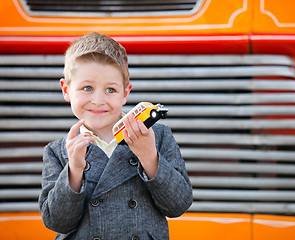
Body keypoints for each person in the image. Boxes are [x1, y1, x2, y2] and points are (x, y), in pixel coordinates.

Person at [38, 32, 193, 240]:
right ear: (66, 89)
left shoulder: (157, 136)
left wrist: (149, 157)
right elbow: (57, 222)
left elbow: (179, 205)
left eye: (110, 90)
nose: (98, 100)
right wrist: (74, 170)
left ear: (125, 93)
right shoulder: (57, 152)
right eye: (87, 88)